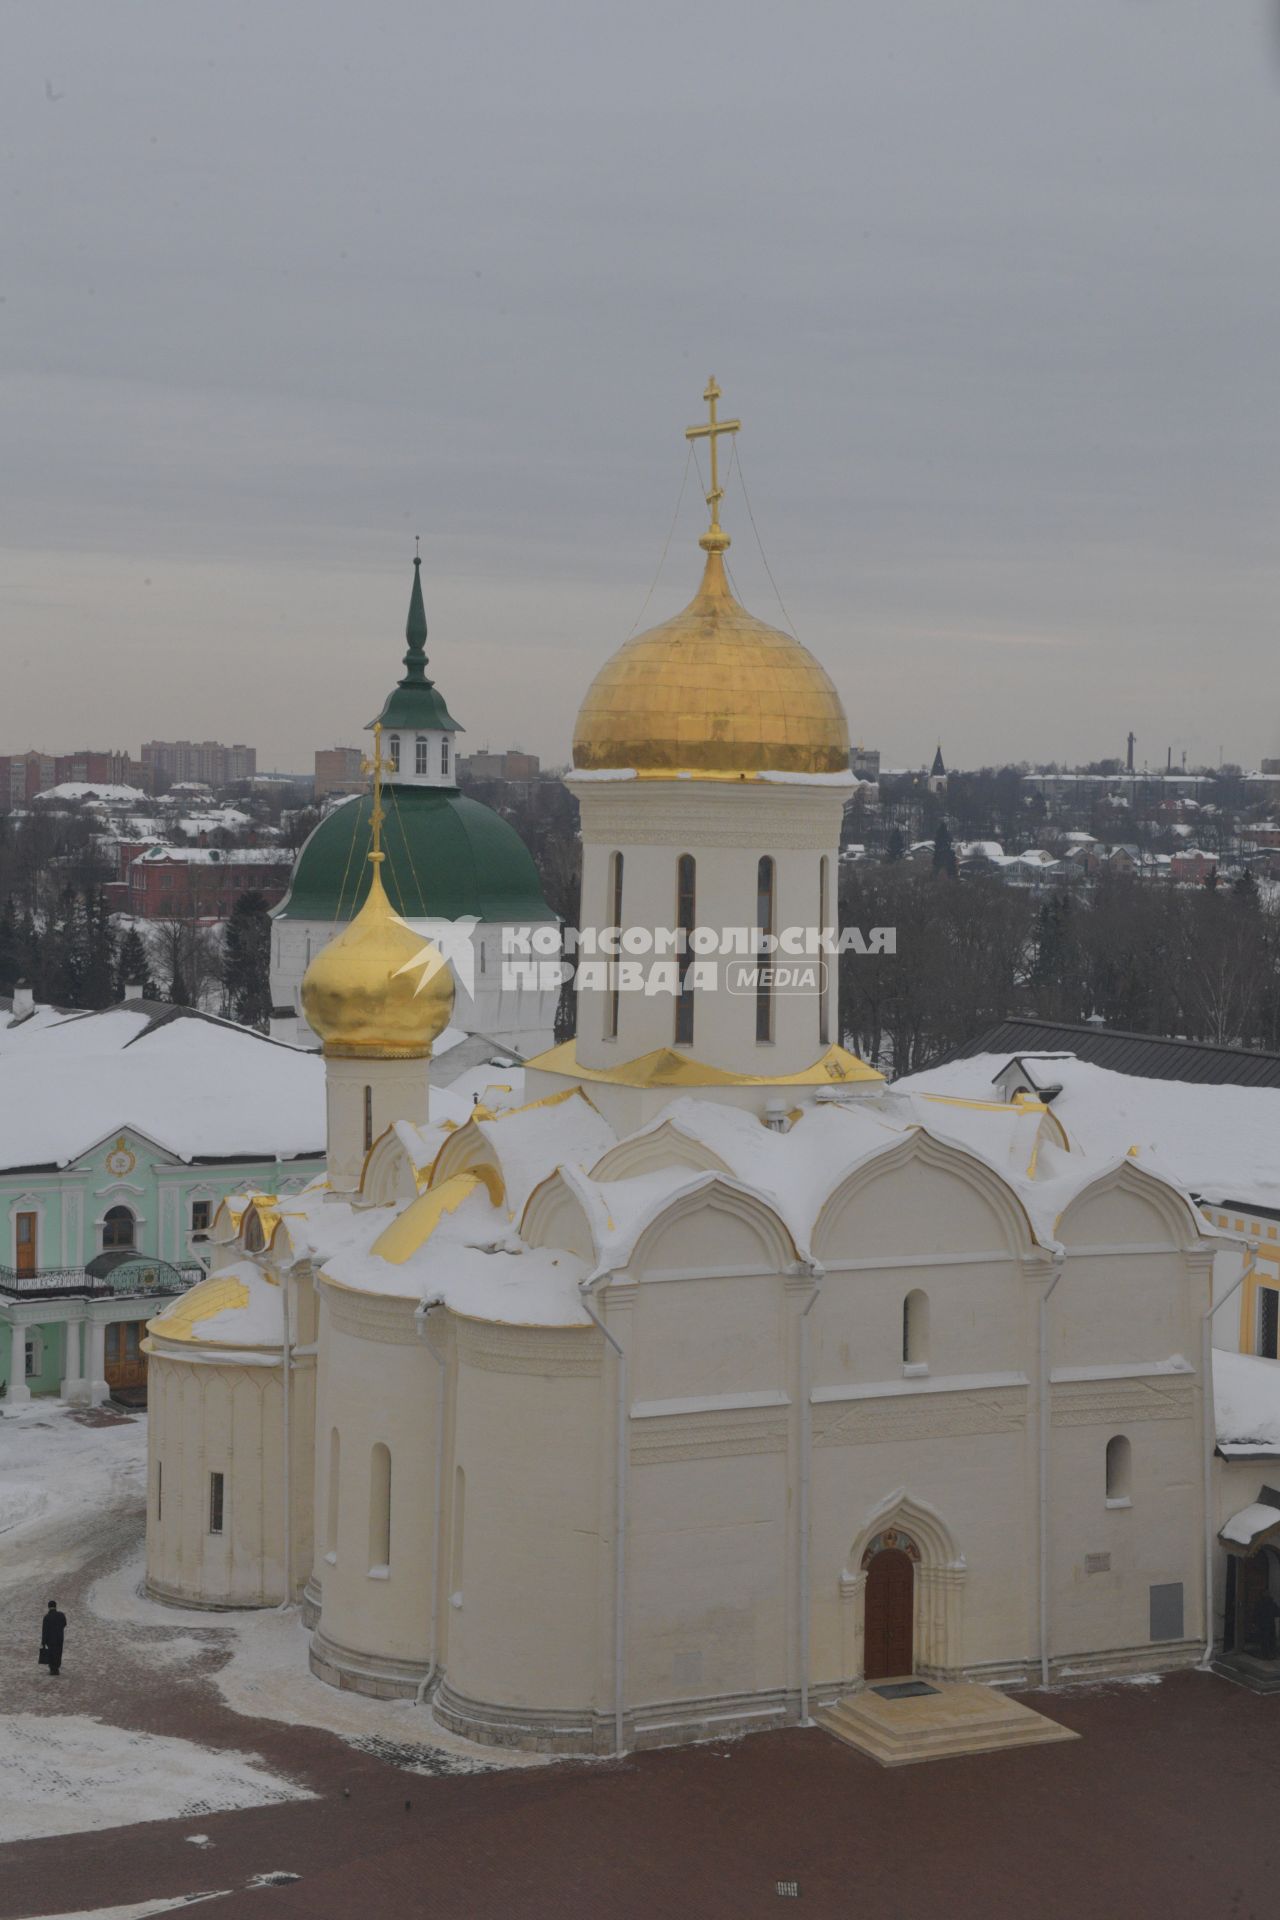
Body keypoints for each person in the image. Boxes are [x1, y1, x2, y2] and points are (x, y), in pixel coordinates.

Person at [41, 1601, 66, 1676]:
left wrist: (43, 1641)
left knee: (51, 1653)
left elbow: (44, 1630)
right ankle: (57, 1668)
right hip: (59, 1638)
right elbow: (64, 1624)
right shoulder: (61, 1615)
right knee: (58, 1652)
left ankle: (52, 1669)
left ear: (48, 1607)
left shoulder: (46, 1617)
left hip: (50, 1639)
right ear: (56, 1606)